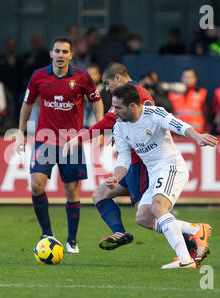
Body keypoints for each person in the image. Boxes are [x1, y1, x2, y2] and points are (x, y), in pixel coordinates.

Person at [63, 63, 201, 263]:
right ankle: (120, 232)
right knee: (102, 194)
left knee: (147, 214)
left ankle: (192, 239)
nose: (107, 89)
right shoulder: (126, 99)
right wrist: (122, 136)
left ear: (118, 78)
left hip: (143, 164)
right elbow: (121, 125)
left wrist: (78, 138)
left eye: (107, 83)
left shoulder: (134, 94)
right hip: (131, 162)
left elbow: (114, 122)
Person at [110, 83, 218, 269]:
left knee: (158, 207)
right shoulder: (119, 127)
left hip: (171, 166)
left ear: (133, 106)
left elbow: (179, 125)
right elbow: (124, 159)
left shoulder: (154, 114)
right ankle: (196, 230)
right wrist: (115, 177)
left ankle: (185, 259)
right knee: (143, 217)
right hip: (155, 173)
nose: (114, 111)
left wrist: (197, 137)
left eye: (118, 107)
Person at [15, 37, 104, 253]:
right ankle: (47, 233)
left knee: (71, 190)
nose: (61, 55)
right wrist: (19, 132)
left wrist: (100, 128)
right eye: (57, 51)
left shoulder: (82, 77)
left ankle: (72, 240)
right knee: (36, 184)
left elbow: (97, 101)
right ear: (51, 54)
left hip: (72, 141)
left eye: (65, 51)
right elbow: (27, 105)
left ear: (71, 55)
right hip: (44, 139)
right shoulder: (39, 76)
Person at [168, 68, 208, 133]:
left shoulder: (202, 93)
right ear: (181, 78)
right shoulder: (172, 94)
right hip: (176, 134)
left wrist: (207, 131)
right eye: (185, 77)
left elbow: (207, 115)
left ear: (195, 79)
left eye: (190, 77)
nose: (187, 80)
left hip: (197, 134)